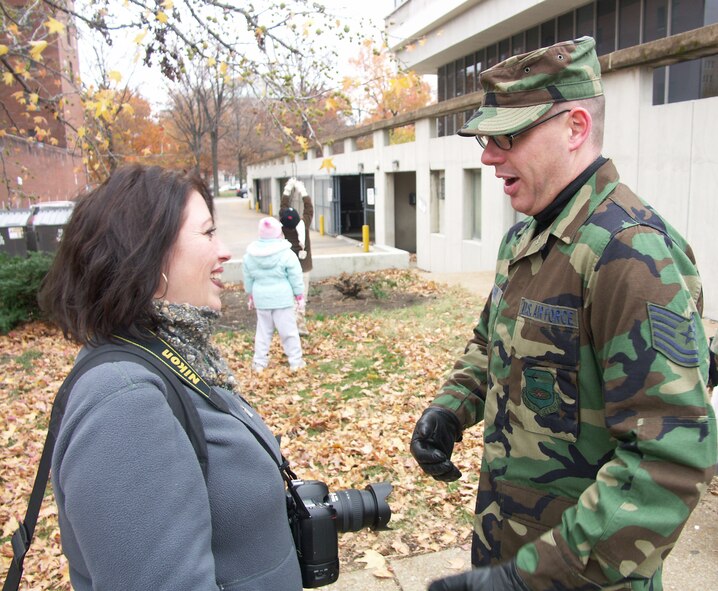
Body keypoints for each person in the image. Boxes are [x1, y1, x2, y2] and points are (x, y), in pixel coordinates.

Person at [410, 37, 717, 591]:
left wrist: (525, 580)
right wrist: (451, 409)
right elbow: (492, 343)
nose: (487, 155)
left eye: (508, 135)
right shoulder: (527, 239)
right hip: (508, 546)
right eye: (486, 137)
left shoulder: (630, 253)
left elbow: (669, 460)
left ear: (575, 127)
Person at [38, 165, 304, 591]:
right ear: (148, 253)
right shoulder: (123, 403)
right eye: (207, 233)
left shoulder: (175, 356)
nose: (225, 251)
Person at [243, 216, 306, 372]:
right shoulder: (286, 253)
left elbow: (248, 277)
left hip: (261, 298)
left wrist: (250, 295)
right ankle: (295, 362)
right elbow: (296, 275)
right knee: (289, 332)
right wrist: (299, 295)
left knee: (263, 332)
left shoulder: (250, 255)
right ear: (279, 233)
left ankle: (259, 363)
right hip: (282, 299)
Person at [280, 177, 314, 336]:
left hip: (287, 268)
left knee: (289, 298)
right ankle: (299, 326)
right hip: (303, 267)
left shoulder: (284, 229)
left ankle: (288, 325)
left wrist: (288, 189)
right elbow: (309, 208)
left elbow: (283, 207)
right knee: (301, 297)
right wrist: (302, 190)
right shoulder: (304, 225)